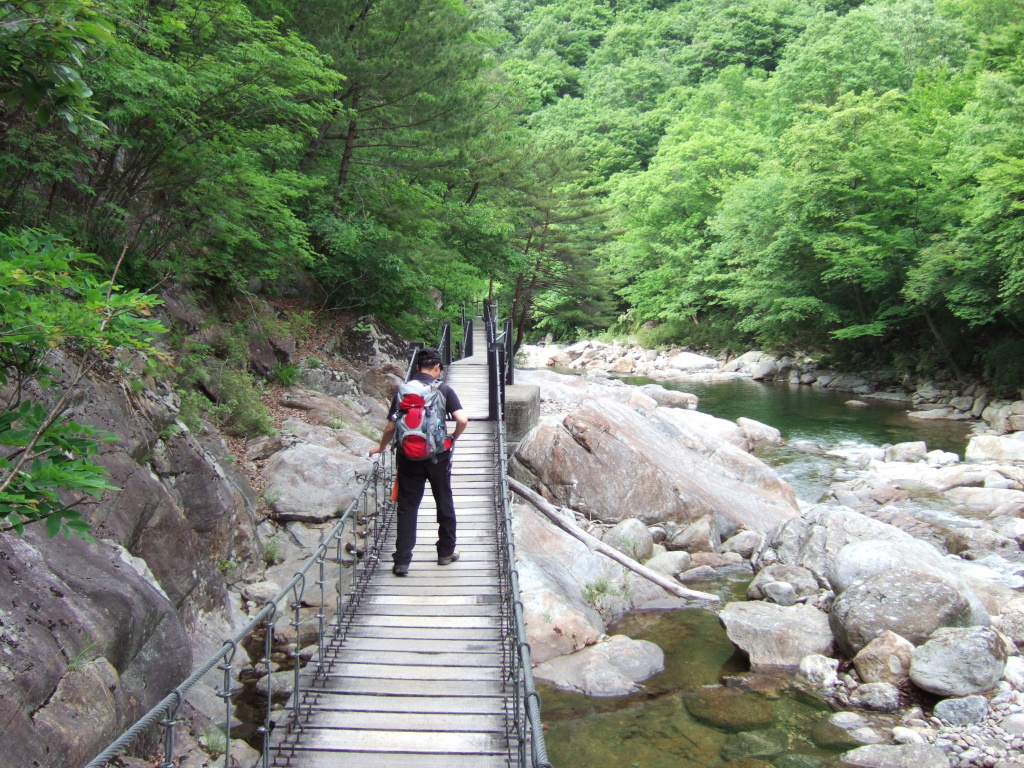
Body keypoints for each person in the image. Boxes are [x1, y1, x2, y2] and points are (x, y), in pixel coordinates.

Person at [369, 348, 469, 576]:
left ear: (416, 368)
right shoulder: (443, 389)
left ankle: (402, 561)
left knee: (407, 506)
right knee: (443, 499)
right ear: (438, 369)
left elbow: (390, 426)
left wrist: (381, 447)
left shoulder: (403, 391)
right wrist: (452, 438)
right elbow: (463, 419)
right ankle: (445, 553)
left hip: (407, 455)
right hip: (437, 455)